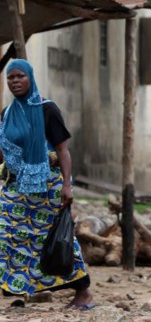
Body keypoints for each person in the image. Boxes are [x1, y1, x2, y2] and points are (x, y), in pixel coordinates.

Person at [0, 59, 94, 309]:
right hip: (15, 188)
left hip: (47, 187)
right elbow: (5, 152)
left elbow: (63, 150)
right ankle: (21, 290)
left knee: (59, 238)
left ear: (30, 78)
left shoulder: (47, 109)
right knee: (8, 235)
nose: (15, 81)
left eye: (20, 76)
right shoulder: (7, 113)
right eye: (10, 78)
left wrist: (67, 185)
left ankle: (83, 291)